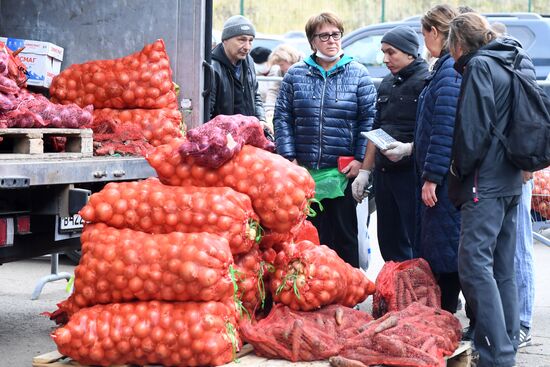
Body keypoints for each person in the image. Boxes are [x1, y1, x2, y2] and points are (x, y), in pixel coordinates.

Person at [447, 12, 535, 366]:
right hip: (512, 178)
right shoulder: (512, 59)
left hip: (485, 181)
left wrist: (456, 169)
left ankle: (496, 354)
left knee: (474, 267)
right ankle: (506, 348)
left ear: (457, 43)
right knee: (501, 268)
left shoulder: (480, 66)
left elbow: (472, 130)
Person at [274, 12, 377, 268]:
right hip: (305, 170)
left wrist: (360, 159)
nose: (332, 40)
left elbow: (369, 119)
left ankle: (347, 291)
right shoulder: (296, 75)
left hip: (342, 171)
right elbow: (282, 117)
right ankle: (313, 288)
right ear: (312, 42)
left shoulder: (358, 74)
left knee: (344, 234)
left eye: (336, 34)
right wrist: (290, 159)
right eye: (324, 35)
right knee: (310, 235)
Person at [352, 26, 429, 262]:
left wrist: (408, 149)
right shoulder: (387, 82)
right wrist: (365, 171)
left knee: (415, 240)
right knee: (388, 239)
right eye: (383, 52)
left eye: (391, 53)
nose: (385, 59)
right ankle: (396, 289)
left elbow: (432, 131)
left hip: (411, 175)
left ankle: (420, 293)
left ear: (409, 53)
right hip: (385, 175)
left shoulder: (426, 81)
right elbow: (376, 128)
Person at [412, 4, 462, 313]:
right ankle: (445, 313)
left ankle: (447, 315)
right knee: (443, 245)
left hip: (442, 181)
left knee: (446, 251)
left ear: (435, 32)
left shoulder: (447, 70)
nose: (423, 42)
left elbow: (444, 128)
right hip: (441, 176)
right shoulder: (444, 67)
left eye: (424, 34)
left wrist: (432, 175)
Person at [210, 15, 270, 133]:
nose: (247, 47)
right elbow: (207, 112)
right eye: (242, 40)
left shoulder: (249, 61)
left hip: (247, 136)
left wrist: (261, 119)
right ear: (225, 40)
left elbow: (255, 95)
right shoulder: (212, 67)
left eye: (250, 41)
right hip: (223, 139)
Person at [264, 44, 303, 120]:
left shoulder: (308, 68)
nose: (280, 67)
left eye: (281, 64)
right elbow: (273, 90)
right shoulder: (281, 71)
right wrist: (270, 109)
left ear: (289, 60)